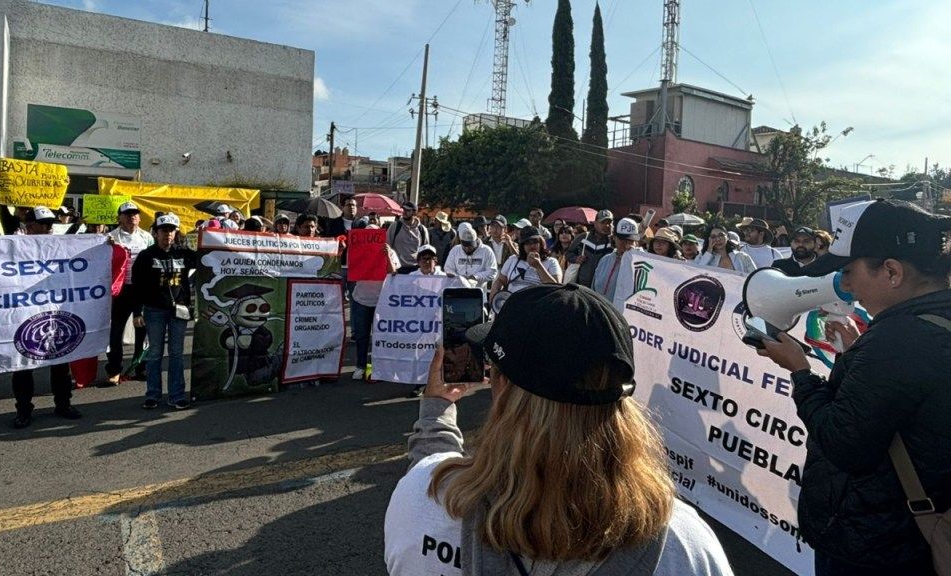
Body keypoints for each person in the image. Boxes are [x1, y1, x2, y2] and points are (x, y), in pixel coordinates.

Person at [385, 283, 735, 576]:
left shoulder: (426, 498)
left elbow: (430, 468)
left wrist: (436, 411)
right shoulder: (684, 545)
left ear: (501, 384)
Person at [756, 199, 951, 576]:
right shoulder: (929, 322)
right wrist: (857, 353)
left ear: (891, 271)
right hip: (908, 538)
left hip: (875, 546)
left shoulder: (897, 340)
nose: (844, 285)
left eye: (848, 271)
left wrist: (800, 371)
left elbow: (844, 444)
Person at [1, 207, 83, 427]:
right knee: (23, 364)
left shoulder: (60, 246)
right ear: (29, 227)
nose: (49, 228)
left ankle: (63, 403)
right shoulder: (13, 247)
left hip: (55, 314)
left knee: (60, 360)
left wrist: (105, 247)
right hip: (24, 314)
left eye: (51, 224)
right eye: (44, 224)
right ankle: (24, 410)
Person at [131, 213, 198, 410]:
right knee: (155, 353)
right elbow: (137, 286)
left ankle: (176, 396)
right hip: (154, 311)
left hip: (180, 310)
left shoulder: (185, 254)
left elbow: (209, 259)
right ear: (156, 232)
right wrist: (137, 312)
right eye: (163, 230)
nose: (167, 234)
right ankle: (153, 394)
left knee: (176, 354)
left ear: (176, 232)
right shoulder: (146, 256)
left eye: (171, 230)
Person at [104, 201, 155, 386]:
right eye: (127, 214)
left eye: (135, 213)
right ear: (120, 218)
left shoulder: (147, 237)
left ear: (139, 217)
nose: (132, 217)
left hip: (141, 289)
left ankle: (140, 367)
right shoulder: (110, 237)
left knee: (143, 329)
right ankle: (114, 369)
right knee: (115, 331)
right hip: (120, 289)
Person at [349, 218, 400, 380]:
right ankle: (360, 366)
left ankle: (379, 367)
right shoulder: (357, 250)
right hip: (361, 299)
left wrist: (387, 256)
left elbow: (394, 273)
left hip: (382, 301)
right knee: (362, 335)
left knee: (381, 336)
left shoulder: (389, 250)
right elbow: (350, 269)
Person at [489, 226, 562, 301]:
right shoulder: (513, 260)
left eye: (535, 242)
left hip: (538, 304)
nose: (532, 246)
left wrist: (538, 266)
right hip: (513, 302)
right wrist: (494, 295)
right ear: (522, 246)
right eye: (527, 243)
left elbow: (556, 287)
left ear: (541, 243)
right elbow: (501, 280)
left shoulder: (551, 262)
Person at [592, 218, 643, 302]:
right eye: (622, 240)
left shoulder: (641, 263)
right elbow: (593, 287)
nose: (626, 245)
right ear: (614, 238)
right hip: (601, 310)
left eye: (630, 241)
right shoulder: (605, 260)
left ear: (636, 242)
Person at [565, 209, 615, 288]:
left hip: (602, 288)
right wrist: (576, 259)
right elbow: (568, 253)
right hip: (580, 286)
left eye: (609, 223)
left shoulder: (614, 242)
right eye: (603, 222)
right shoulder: (583, 237)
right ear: (595, 223)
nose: (607, 226)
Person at [445, 223, 497, 289]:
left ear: (476, 240)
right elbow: (448, 267)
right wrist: (456, 276)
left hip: (478, 291)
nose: (467, 248)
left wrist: (476, 277)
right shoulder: (455, 250)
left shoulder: (486, 251)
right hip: (458, 290)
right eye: (465, 246)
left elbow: (492, 272)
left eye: (470, 246)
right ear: (461, 242)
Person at [387, 202, 430, 274]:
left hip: (416, 270)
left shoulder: (422, 230)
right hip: (398, 269)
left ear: (414, 212)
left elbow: (426, 250)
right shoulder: (395, 226)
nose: (404, 212)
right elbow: (387, 247)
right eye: (404, 210)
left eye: (408, 210)